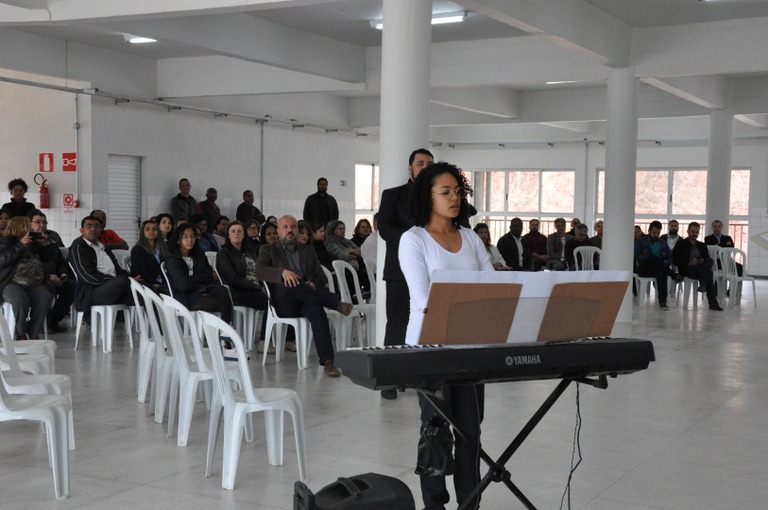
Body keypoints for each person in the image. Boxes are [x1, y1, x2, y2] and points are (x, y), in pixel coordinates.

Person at [399, 162, 493, 510]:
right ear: (428, 196)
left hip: (471, 346)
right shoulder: (414, 240)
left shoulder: (470, 237)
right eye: (445, 192)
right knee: (435, 430)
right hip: (430, 347)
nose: (454, 198)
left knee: (471, 432)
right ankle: (434, 505)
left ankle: (470, 503)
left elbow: (492, 288)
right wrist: (473, 303)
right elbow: (425, 300)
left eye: (457, 191)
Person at [255, 215, 353, 377]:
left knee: (317, 311)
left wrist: (314, 283)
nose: (289, 230)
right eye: (285, 227)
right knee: (290, 283)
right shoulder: (268, 249)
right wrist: (282, 272)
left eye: (293, 227)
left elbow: (320, 277)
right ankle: (335, 303)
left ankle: (328, 362)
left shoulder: (307, 250)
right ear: (279, 231)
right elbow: (260, 271)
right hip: (284, 302)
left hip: (306, 298)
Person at [378, 148, 434, 399]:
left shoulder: (439, 196)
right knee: (397, 322)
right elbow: (386, 229)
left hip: (432, 269)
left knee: (430, 321)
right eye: (420, 163)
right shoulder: (393, 195)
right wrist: (414, 241)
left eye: (429, 164)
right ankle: (389, 379)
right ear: (410, 168)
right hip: (399, 268)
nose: (425, 166)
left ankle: (424, 374)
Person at [164, 223, 233, 323]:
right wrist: (203, 278)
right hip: (186, 296)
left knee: (223, 290)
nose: (190, 240)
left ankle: (224, 331)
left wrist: (193, 278)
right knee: (223, 304)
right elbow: (183, 284)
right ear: (178, 240)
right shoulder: (172, 259)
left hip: (202, 290)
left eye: (192, 236)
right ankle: (224, 330)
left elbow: (210, 275)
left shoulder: (199, 255)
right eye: (185, 237)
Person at [0, 216, 54, 339]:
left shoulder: (32, 241)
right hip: (11, 282)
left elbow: (48, 257)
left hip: (34, 282)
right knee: (20, 300)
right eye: (27, 226)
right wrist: (20, 245)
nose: (30, 229)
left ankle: (33, 331)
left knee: (45, 298)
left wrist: (46, 243)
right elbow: (2, 260)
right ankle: (20, 332)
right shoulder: (5, 242)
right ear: (19, 227)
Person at [68, 215, 134, 314]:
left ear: (100, 230)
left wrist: (132, 278)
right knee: (123, 282)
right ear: (82, 230)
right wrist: (112, 281)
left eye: (97, 226)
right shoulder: (78, 248)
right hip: (92, 292)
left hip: (114, 287)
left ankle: (155, 326)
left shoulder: (103, 248)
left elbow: (118, 269)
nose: (93, 229)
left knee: (145, 287)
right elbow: (86, 276)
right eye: (89, 226)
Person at [28, 210, 74, 332]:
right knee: (49, 287)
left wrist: (63, 273)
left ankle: (53, 319)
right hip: (38, 280)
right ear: (29, 224)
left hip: (56, 277)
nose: (42, 225)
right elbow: (30, 266)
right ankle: (44, 324)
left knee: (72, 286)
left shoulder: (51, 239)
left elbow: (60, 260)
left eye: (44, 222)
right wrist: (48, 277)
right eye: (38, 222)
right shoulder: (26, 242)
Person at [216, 221, 269, 325]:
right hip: (238, 292)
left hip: (256, 289)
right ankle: (264, 338)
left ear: (244, 235)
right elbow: (232, 279)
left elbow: (260, 272)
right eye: (233, 231)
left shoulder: (250, 252)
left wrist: (266, 287)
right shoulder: (224, 253)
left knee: (279, 299)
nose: (237, 233)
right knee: (270, 302)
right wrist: (257, 288)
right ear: (229, 235)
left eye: (240, 231)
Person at [672, 221, 723, 311]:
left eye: (696, 232)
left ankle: (703, 285)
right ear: (688, 231)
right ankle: (712, 302)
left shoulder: (702, 245)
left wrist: (701, 261)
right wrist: (689, 262)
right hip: (687, 269)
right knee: (709, 273)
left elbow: (706, 259)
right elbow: (675, 260)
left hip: (700, 268)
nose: (694, 234)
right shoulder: (680, 243)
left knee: (709, 261)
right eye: (693, 232)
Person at [634, 220, 677, 309]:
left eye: (658, 233)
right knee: (653, 257)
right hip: (645, 268)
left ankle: (662, 302)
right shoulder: (641, 241)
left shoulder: (662, 242)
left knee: (661, 271)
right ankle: (673, 275)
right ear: (649, 231)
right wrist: (649, 258)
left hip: (659, 267)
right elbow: (637, 257)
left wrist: (665, 262)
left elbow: (669, 257)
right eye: (654, 232)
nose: (656, 235)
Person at [130, 220, 168, 293]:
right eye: (147, 229)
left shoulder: (162, 248)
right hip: (148, 286)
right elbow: (142, 273)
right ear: (143, 232)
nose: (151, 231)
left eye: (154, 229)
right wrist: (160, 284)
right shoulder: (137, 250)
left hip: (164, 284)